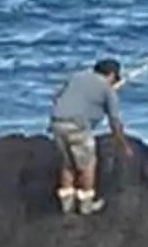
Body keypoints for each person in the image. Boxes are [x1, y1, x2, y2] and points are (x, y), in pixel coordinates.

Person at [48, 57, 129, 215]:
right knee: (88, 164)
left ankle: (66, 204)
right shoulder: (107, 89)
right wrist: (122, 144)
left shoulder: (76, 77)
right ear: (112, 75)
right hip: (78, 128)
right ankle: (86, 205)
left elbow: (56, 97)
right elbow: (114, 120)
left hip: (57, 123)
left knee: (67, 163)